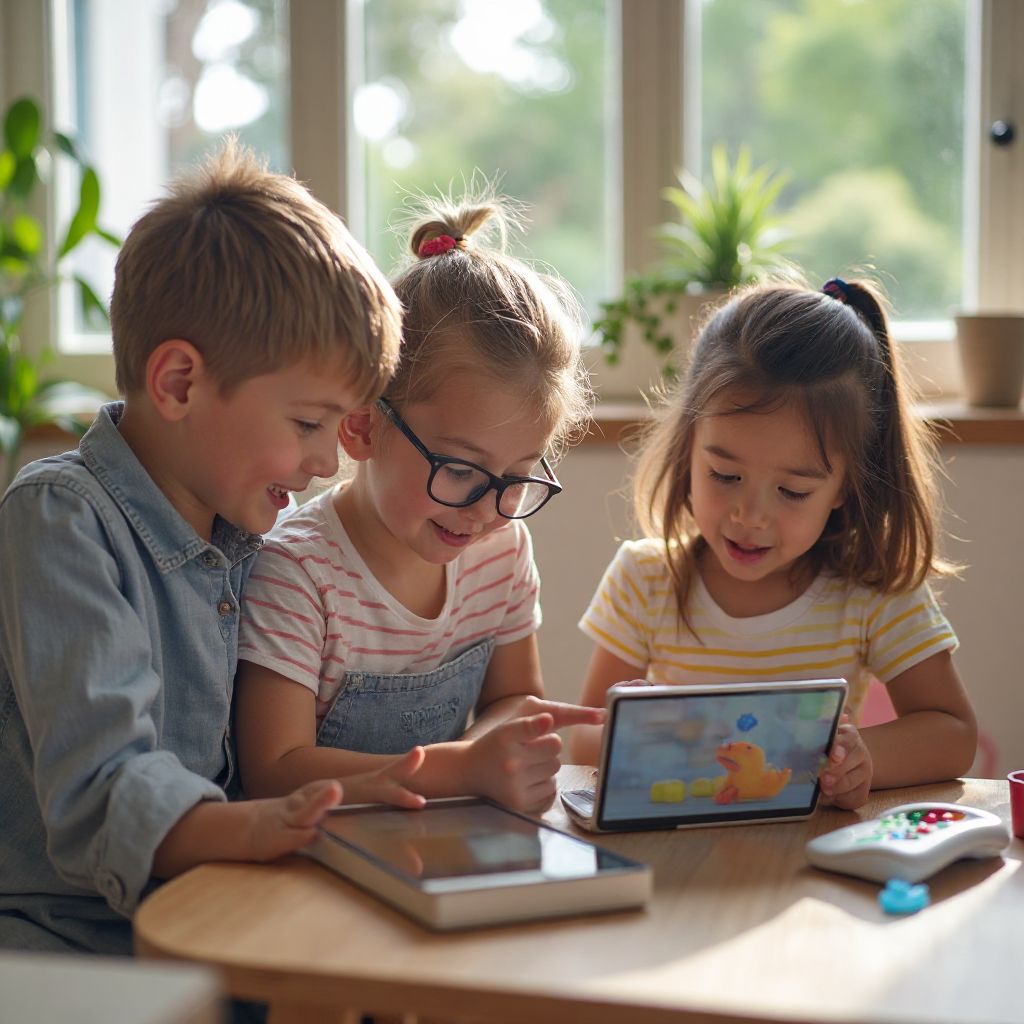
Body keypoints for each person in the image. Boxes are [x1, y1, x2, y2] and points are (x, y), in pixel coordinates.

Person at [0, 139, 420, 956]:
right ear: (180, 383)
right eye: (308, 423)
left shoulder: (251, 530)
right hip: (67, 936)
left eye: (340, 429)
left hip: (220, 904)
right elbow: (104, 788)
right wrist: (259, 827)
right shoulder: (59, 520)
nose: (326, 461)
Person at [235, 189, 603, 815]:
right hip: (306, 862)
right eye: (460, 469)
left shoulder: (502, 550)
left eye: (516, 477)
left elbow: (512, 699)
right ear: (362, 427)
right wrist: (461, 769)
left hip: (430, 845)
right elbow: (274, 770)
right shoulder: (296, 572)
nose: (486, 510)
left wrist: (501, 753)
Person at [570, 277, 977, 810]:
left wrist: (862, 761)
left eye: (792, 490)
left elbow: (953, 736)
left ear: (845, 487)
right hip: (681, 864)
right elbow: (581, 743)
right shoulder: (645, 580)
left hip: (814, 869)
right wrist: (637, 732)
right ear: (688, 448)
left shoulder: (872, 594)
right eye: (723, 475)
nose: (749, 516)